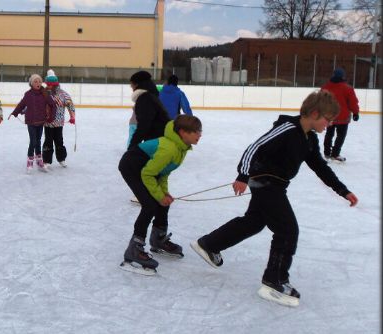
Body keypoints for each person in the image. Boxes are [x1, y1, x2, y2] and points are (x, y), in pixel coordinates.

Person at [190, 90, 358, 307]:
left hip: (275, 185)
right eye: (328, 119)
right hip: (265, 182)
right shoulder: (287, 129)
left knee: (254, 222)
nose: (329, 125)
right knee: (287, 230)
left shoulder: (309, 139)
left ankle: (209, 244)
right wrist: (242, 175)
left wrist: (343, 190)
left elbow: (320, 167)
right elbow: (254, 148)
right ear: (315, 113)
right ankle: (274, 280)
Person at [119, 115, 202, 275]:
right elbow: (148, 174)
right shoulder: (169, 148)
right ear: (183, 132)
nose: (199, 135)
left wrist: (164, 193)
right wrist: (158, 195)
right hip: (132, 166)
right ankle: (134, 249)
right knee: (150, 205)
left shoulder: (181, 148)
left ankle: (158, 239)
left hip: (146, 169)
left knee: (163, 201)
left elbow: (163, 172)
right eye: (196, 131)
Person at [9, 74, 56, 173]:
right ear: (31, 83)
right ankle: (30, 162)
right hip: (31, 121)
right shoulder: (28, 94)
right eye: (35, 81)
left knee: (38, 141)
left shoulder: (45, 93)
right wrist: (15, 112)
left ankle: (39, 162)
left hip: (41, 121)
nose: (38, 83)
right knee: (33, 141)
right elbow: (21, 104)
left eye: (39, 81)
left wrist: (51, 117)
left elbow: (52, 105)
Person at [321, 68, 360, 162]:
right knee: (341, 136)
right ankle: (335, 154)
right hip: (343, 117)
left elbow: (321, 101)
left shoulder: (325, 87)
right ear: (343, 77)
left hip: (329, 116)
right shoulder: (348, 88)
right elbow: (353, 103)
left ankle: (327, 153)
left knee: (329, 134)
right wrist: (355, 113)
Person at [127, 70, 170, 151]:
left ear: (137, 84)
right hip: (160, 139)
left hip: (157, 141)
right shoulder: (150, 96)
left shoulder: (145, 99)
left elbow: (144, 125)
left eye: (131, 84)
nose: (131, 87)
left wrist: (132, 146)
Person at [42, 69, 75, 168]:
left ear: (56, 84)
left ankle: (61, 159)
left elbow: (70, 105)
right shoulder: (44, 93)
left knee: (59, 141)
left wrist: (72, 116)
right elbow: (37, 105)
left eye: (52, 84)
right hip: (47, 123)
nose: (50, 86)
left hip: (59, 123)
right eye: (48, 84)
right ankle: (46, 160)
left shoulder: (63, 94)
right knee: (48, 141)